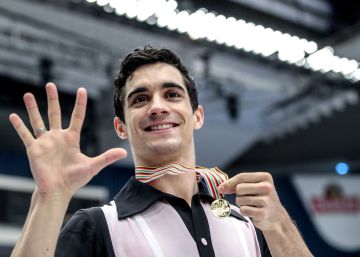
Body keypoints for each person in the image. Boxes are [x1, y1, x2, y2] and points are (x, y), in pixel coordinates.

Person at [9, 46, 313, 257]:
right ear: (121, 128)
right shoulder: (99, 227)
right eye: (140, 99)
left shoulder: (249, 223)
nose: (157, 107)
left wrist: (280, 224)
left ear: (197, 116)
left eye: (172, 94)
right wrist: (49, 199)